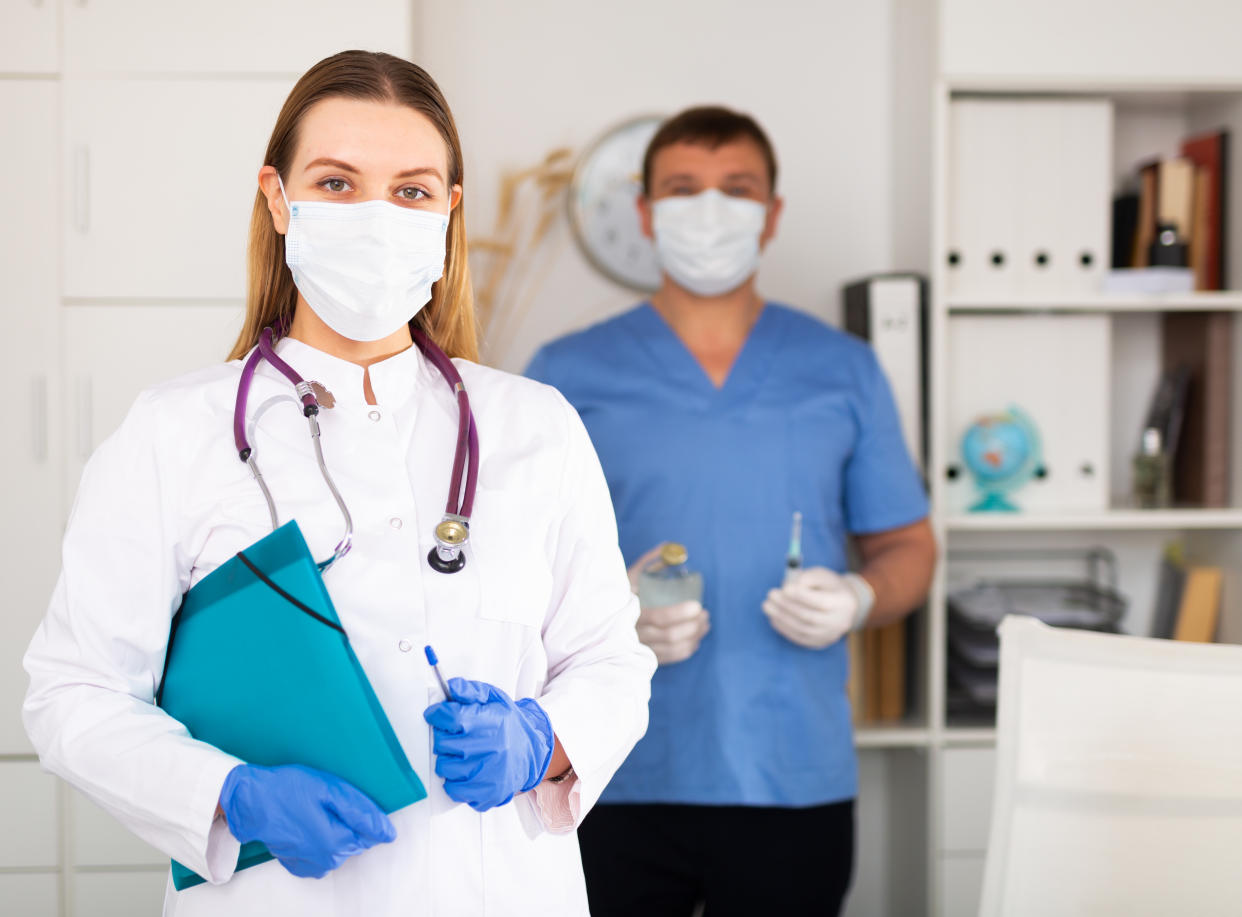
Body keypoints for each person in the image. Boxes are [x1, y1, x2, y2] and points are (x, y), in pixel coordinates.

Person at [23, 51, 655, 917]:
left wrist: (543, 740)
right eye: (336, 183)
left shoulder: (533, 426)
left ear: (447, 213)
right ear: (278, 198)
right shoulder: (176, 432)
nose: (376, 217)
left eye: (411, 191)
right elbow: (72, 691)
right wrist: (230, 793)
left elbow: (612, 661)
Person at [526, 106, 937, 916]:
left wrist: (859, 596)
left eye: (736, 187)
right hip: (611, 767)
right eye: (683, 188)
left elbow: (908, 546)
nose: (709, 208)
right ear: (645, 212)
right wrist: (612, 617)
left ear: (772, 213)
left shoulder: (843, 370)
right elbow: (510, 577)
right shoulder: (566, 374)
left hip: (793, 774)